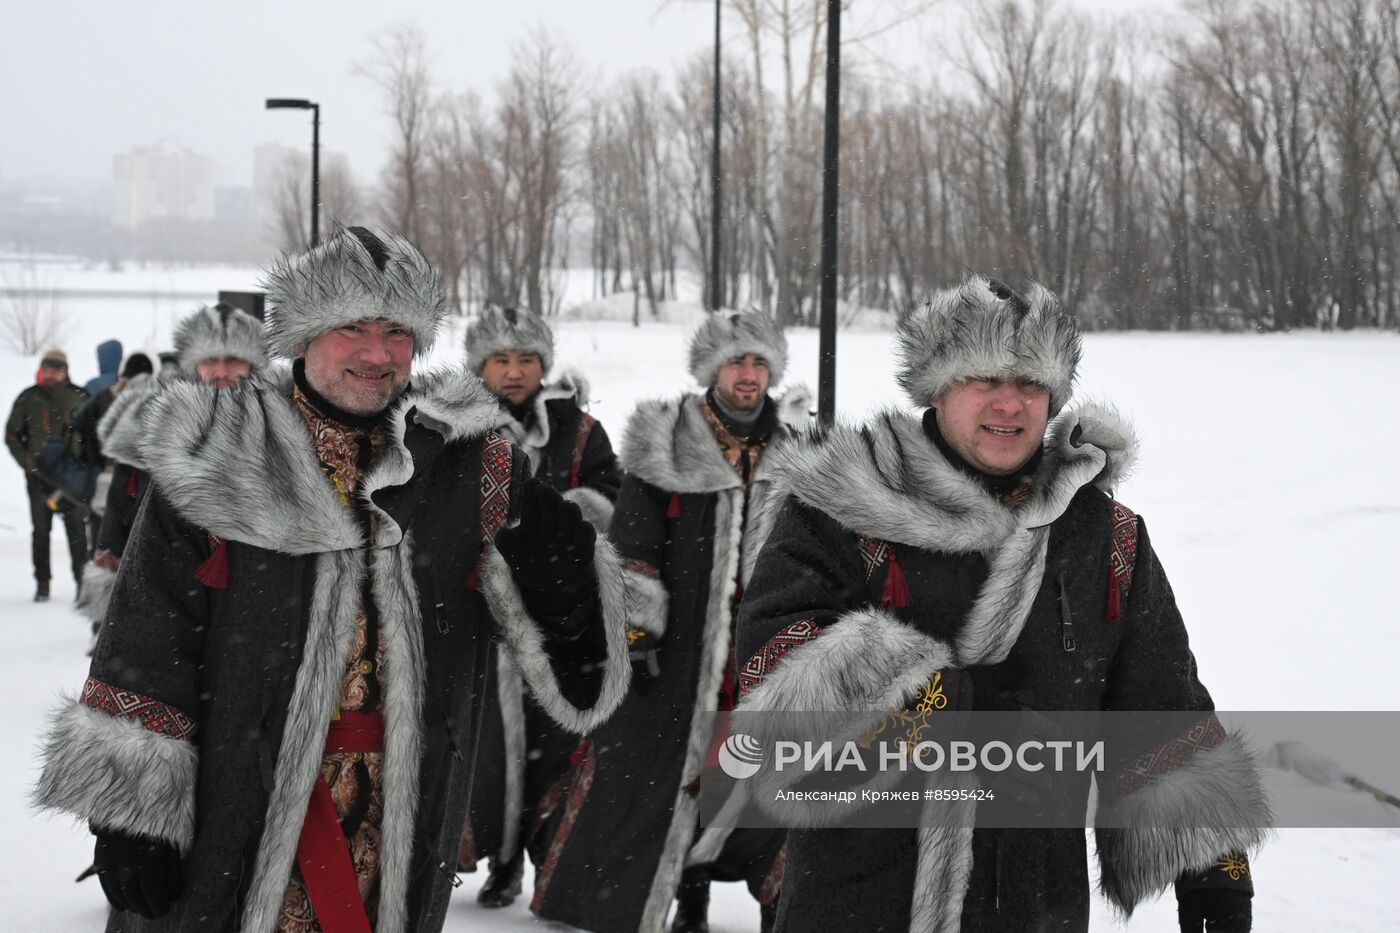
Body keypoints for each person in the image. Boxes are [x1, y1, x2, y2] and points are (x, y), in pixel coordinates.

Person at [35, 225, 632, 933]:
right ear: (304, 335)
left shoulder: (463, 465)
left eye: (398, 332)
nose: (378, 354)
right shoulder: (218, 451)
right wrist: (130, 806)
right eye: (353, 327)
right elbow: (148, 628)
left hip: (402, 808)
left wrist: (570, 584)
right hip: (236, 795)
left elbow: (567, 627)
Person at [734, 275, 1267, 932]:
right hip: (857, 899)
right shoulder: (841, 503)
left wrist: (1217, 879)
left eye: (1031, 384)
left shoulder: (1104, 536)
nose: (1010, 404)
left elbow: (1165, 714)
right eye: (985, 379)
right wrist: (945, 707)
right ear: (937, 385)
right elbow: (775, 676)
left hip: (1035, 904)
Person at [532, 311, 807, 933]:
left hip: (766, 649)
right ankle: (689, 895)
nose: (748, 375)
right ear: (712, 369)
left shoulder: (796, 449)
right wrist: (637, 634)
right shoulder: (666, 439)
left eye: (759, 363)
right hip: (678, 652)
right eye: (737, 362)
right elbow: (634, 545)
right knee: (666, 782)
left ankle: (782, 903)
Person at [461, 304, 623, 907]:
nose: (513, 371)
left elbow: (613, 497)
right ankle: (500, 862)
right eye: (500, 359)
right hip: (486, 621)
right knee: (492, 756)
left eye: (525, 359)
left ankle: (547, 868)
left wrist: (561, 522)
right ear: (481, 366)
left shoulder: (578, 430)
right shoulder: (461, 429)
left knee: (556, 752)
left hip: (561, 622)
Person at [76, 305, 265, 642]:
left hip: (253, 600)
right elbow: (120, 508)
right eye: (210, 361)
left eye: (233, 360)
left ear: (253, 365)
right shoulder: (150, 426)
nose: (221, 372)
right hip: (163, 587)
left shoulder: (278, 429)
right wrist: (108, 576)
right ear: (192, 365)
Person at [5, 347, 88, 601]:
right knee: (40, 531)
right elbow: (11, 435)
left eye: (56, 369)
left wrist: (83, 466)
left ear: (65, 371)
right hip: (38, 479)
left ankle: (83, 585)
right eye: (47, 369)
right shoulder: (27, 398)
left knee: (76, 532)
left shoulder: (80, 397)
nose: (51, 374)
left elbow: (93, 436)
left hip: (71, 482)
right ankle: (42, 583)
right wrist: (28, 462)